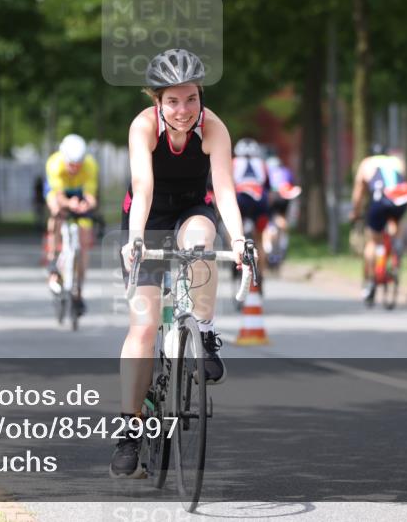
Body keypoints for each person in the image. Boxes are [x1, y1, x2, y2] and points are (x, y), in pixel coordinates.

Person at [112, 48, 249, 479]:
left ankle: (203, 332)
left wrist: (242, 240)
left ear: (200, 96)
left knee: (201, 240)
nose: (184, 109)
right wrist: (136, 239)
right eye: (173, 100)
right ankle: (129, 431)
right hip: (147, 217)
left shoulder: (214, 128)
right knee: (144, 325)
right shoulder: (143, 128)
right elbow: (143, 186)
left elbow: (224, 190)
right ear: (158, 101)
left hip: (193, 210)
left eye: (191, 98)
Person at [349, 142, 407, 302]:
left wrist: (355, 212)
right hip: (401, 198)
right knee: (395, 223)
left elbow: (358, 192)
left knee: (373, 241)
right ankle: (397, 245)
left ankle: (371, 280)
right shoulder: (397, 161)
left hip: (380, 200)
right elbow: (403, 180)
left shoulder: (366, 163)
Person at [44, 133, 99, 316]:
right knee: (55, 211)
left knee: (83, 244)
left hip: (79, 192)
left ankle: (78, 292)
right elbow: (58, 196)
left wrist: (86, 205)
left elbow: (91, 196)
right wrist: (69, 205)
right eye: (71, 165)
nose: (75, 168)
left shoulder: (90, 165)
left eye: (78, 165)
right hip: (59, 192)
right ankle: (53, 257)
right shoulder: (55, 163)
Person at [232, 137, 272, 279]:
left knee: (233, 229)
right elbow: (268, 186)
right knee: (260, 239)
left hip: (241, 198)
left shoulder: (234, 163)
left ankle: (234, 256)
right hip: (261, 200)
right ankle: (260, 275)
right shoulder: (262, 164)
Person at [264, 155, 301, 266]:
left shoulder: (267, 171)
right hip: (286, 196)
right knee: (282, 220)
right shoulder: (286, 171)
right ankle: (282, 246)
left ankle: (269, 250)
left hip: (273, 196)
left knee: (268, 223)